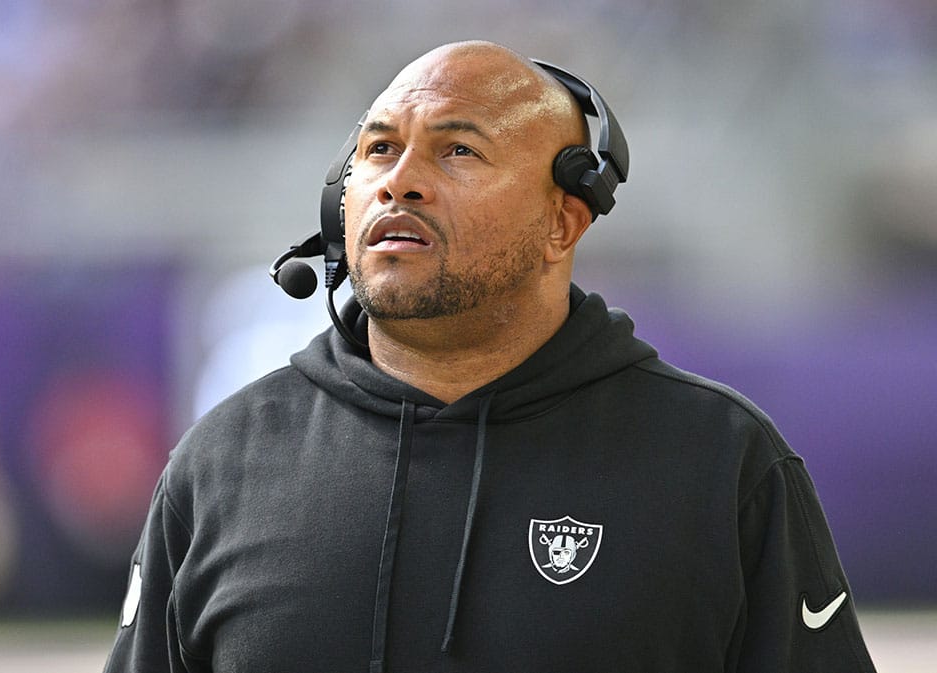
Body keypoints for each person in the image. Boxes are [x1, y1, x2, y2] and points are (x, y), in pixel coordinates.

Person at [103, 40, 877, 672]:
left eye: (458, 151)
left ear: (563, 222)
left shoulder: (722, 462)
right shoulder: (221, 466)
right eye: (379, 150)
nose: (399, 182)